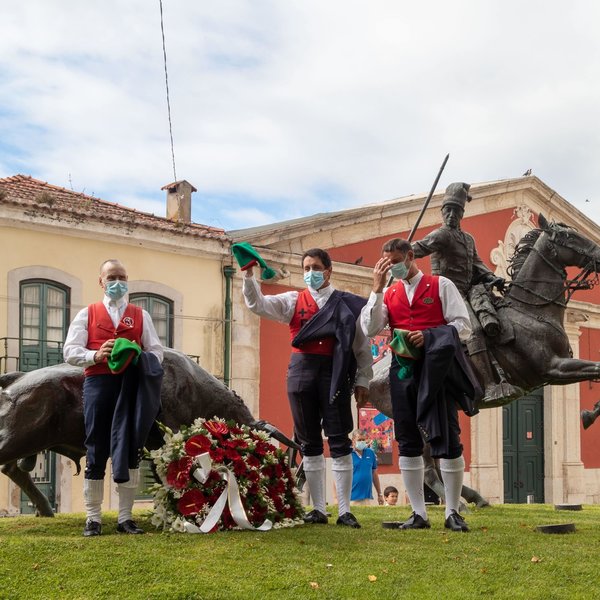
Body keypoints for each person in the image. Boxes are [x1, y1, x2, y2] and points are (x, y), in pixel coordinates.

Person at [242, 248, 372, 528]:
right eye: (306, 268)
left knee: (339, 440)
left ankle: (345, 510)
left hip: (335, 373)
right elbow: (258, 305)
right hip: (301, 373)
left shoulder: (348, 304)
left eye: (315, 267)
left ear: (328, 270)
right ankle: (318, 509)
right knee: (309, 442)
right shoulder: (292, 300)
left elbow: (361, 345)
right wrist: (249, 274)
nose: (310, 272)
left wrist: (363, 380)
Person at [361, 238, 481, 532]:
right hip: (402, 373)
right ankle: (419, 514)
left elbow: (463, 326)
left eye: (396, 261)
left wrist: (429, 336)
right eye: (387, 263)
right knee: (408, 440)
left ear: (410, 256)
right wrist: (376, 289)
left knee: (450, 440)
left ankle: (452, 512)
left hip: (438, 372)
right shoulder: (388, 293)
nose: (392, 267)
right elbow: (370, 328)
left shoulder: (440, 285)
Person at [64, 259, 163, 537]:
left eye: (121, 276)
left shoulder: (140, 315)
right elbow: (70, 350)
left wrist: (136, 353)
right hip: (98, 382)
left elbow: (157, 351)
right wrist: (95, 355)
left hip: (131, 384)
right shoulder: (88, 314)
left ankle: (125, 518)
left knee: (131, 446)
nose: (117, 282)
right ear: (101, 281)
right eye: (112, 277)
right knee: (96, 446)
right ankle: (93, 518)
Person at [411, 182, 520, 404]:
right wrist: (402, 251)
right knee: (473, 329)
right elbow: (418, 248)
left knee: (497, 321)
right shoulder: (441, 235)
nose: (451, 215)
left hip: (468, 291)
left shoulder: (468, 239)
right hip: (446, 293)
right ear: (442, 212)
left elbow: (478, 266)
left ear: (462, 214)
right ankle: (488, 386)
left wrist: (493, 278)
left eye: (456, 211)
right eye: (447, 210)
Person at [350, 431, 383, 505]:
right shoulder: (348, 455)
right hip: (351, 497)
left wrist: (379, 494)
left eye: (363, 440)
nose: (361, 442)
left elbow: (374, 473)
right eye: (359, 440)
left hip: (366, 497)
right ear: (353, 440)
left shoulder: (370, 453)